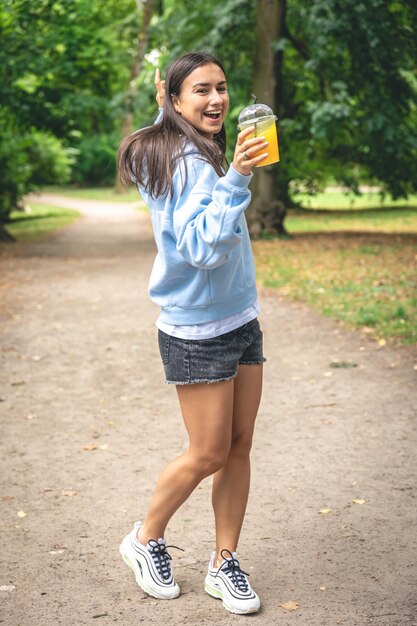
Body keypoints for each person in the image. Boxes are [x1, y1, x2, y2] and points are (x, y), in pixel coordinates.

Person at [117, 51, 268, 616]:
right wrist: (239, 176)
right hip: (198, 330)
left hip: (238, 318)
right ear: (177, 100)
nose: (217, 99)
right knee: (209, 451)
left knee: (238, 446)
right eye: (200, 90)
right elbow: (204, 249)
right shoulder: (188, 163)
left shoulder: (176, 145)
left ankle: (223, 562)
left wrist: (164, 111)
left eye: (222, 87)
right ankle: (146, 537)